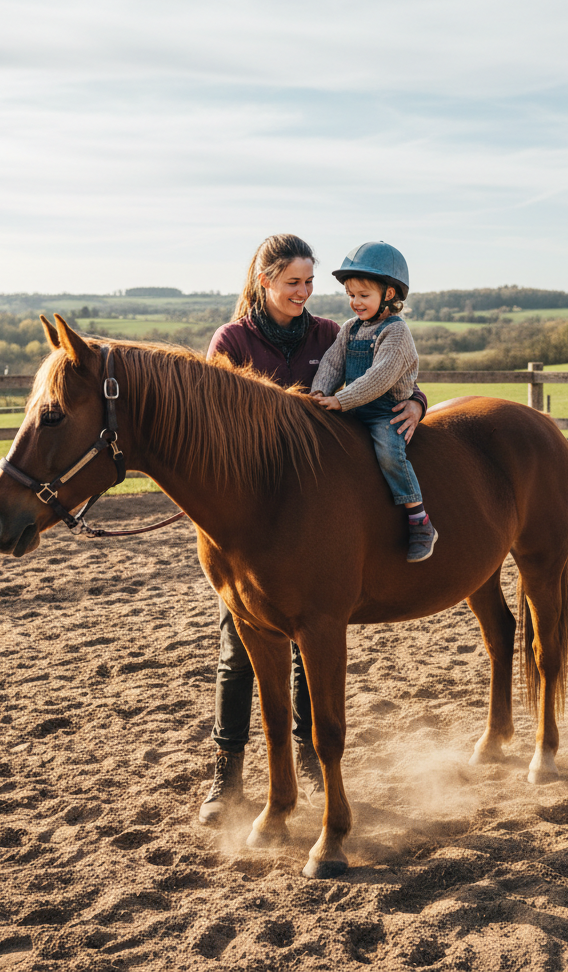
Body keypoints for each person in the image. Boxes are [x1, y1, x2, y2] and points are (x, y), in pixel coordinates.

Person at [199, 233, 428, 825]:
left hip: (310, 522)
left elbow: (386, 373)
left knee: (309, 648)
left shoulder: (330, 333)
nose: (304, 292)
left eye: (308, 282)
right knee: (237, 652)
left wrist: (419, 404)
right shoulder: (232, 342)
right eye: (292, 282)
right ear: (264, 281)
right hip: (249, 525)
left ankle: (305, 762)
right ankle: (226, 777)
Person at [311, 241, 438, 563]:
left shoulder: (396, 333)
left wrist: (340, 401)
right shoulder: (349, 329)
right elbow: (331, 364)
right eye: (350, 295)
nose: (355, 302)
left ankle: (419, 519)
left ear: (389, 295)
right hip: (351, 406)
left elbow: (379, 378)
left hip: (385, 411)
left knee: (390, 454)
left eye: (363, 295)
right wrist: (319, 392)